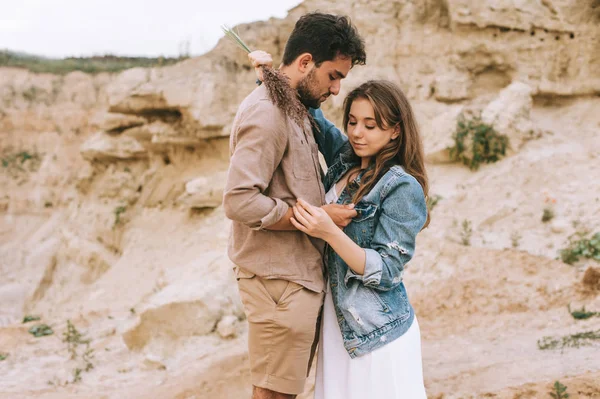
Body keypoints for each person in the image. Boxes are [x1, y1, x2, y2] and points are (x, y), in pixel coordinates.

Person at [250, 53, 429, 398]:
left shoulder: (402, 187)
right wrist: (269, 75)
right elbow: (307, 108)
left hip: (376, 333)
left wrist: (328, 231)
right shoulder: (347, 157)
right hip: (337, 326)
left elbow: (386, 269)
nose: (358, 133)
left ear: (395, 131)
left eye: (371, 125)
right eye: (352, 122)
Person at [222, 12, 366, 399]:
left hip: (294, 280)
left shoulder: (291, 105)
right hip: (278, 283)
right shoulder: (268, 113)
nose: (336, 90)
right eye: (333, 76)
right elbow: (239, 200)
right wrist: (315, 219)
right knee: (273, 394)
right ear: (305, 63)